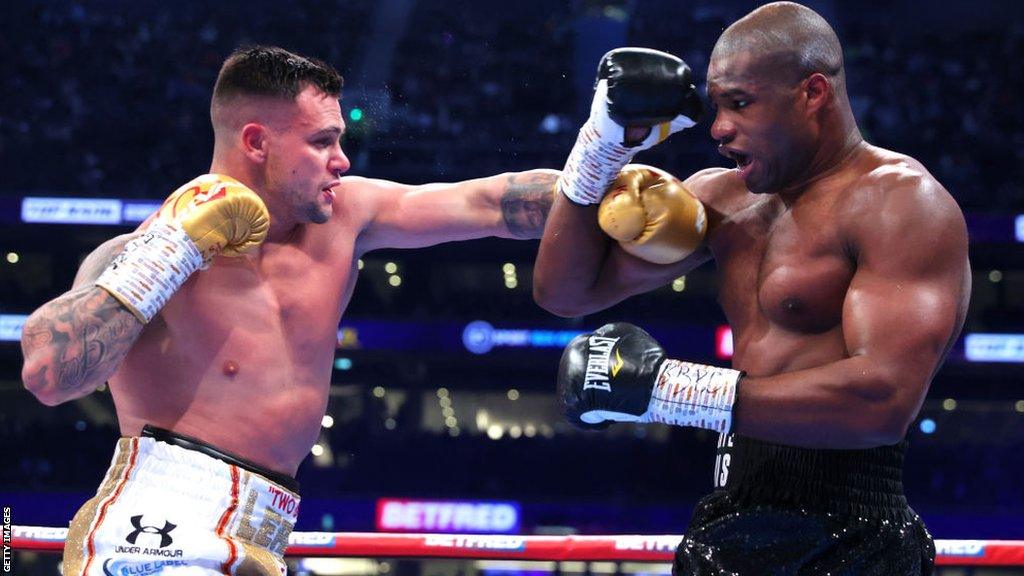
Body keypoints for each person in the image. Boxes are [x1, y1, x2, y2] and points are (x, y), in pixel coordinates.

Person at [19, 45, 559, 576]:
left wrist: (601, 176)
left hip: (264, 529)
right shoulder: (143, 252)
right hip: (158, 523)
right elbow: (48, 374)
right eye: (322, 142)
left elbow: (490, 203)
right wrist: (169, 251)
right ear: (256, 142)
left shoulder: (348, 216)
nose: (341, 160)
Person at [534, 3, 970, 575]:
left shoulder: (899, 202)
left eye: (739, 103)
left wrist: (668, 390)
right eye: (715, 107)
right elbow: (566, 292)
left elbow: (882, 401)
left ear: (812, 93)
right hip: (727, 515)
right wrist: (603, 143)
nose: (717, 128)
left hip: (853, 534)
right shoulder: (722, 199)